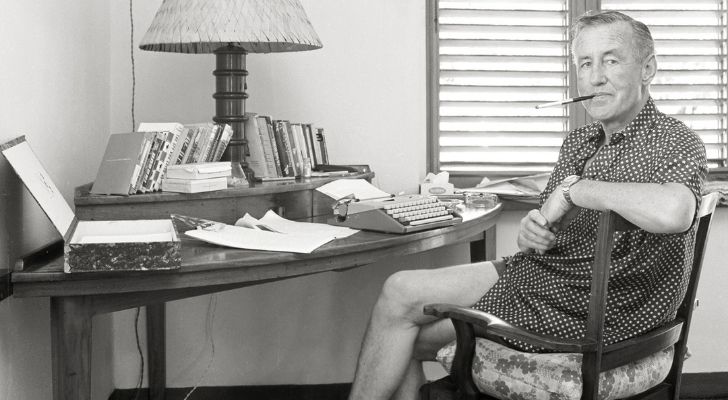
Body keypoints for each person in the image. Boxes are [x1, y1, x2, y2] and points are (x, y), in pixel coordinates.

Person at [347, 10, 708, 400]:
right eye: (585, 63)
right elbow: (545, 229)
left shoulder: (674, 140)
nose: (595, 76)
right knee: (398, 289)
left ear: (648, 68)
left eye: (612, 60)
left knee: (411, 335)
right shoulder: (580, 141)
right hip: (541, 276)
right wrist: (532, 229)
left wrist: (579, 190)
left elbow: (676, 211)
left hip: (577, 306)